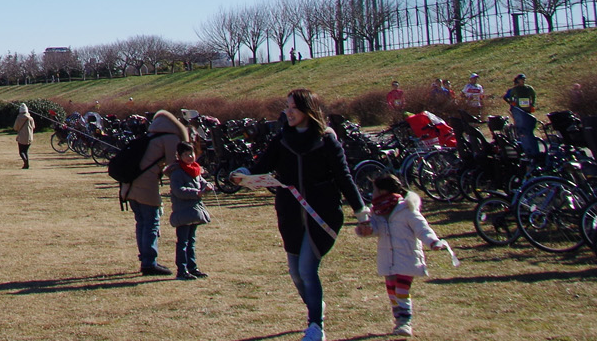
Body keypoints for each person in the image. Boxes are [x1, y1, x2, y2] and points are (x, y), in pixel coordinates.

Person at [234, 89, 369, 341]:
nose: (289, 112)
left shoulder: (326, 139)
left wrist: (360, 211)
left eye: (294, 107)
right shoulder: (282, 138)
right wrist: (243, 172)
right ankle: (315, 307)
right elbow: (261, 166)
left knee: (307, 269)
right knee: (296, 273)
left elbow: (344, 177)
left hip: (323, 214)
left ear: (308, 109)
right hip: (290, 214)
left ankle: (315, 325)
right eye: (287, 107)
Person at [357, 173, 448, 337]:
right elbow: (375, 229)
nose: (373, 194)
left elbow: (422, 228)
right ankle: (398, 320)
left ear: (384, 191)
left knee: (401, 290)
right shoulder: (377, 212)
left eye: (375, 190)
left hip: (407, 257)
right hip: (388, 259)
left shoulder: (406, 209)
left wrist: (433, 242)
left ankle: (405, 322)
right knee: (392, 291)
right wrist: (366, 230)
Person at [122, 108, 189, 275]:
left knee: (142, 222)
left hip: (130, 185)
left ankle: (144, 257)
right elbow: (173, 164)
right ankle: (149, 262)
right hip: (146, 186)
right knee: (152, 222)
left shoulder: (150, 137)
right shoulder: (170, 138)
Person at [167, 140, 211, 280]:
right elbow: (178, 191)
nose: (190, 157)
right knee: (183, 242)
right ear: (179, 156)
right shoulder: (177, 172)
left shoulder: (195, 170)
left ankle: (192, 267)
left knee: (191, 240)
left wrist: (208, 186)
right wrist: (196, 193)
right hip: (183, 211)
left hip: (193, 211)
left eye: (191, 153)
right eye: (186, 154)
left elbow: (202, 182)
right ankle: (182, 269)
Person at [504, 75, 539, 154]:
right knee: (520, 127)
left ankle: (529, 139)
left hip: (527, 110)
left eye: (524, 79)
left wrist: (532, 105)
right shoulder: (515, 89)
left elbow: (533, 96)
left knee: (529, 125)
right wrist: (512, 103)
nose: (523, 81)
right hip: (519, 111)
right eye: (521, 79)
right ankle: (521, 142)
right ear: (518, 80)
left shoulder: (529, 88)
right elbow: (508, 97)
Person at [14, 104, 35, 170]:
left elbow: (15, 127)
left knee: (21, 152)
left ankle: (25, 162)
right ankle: (26, 164)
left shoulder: (18, 118)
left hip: (21, 137)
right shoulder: (30, 118)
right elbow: (33, 127)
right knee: (26, 151)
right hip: (29, 137)